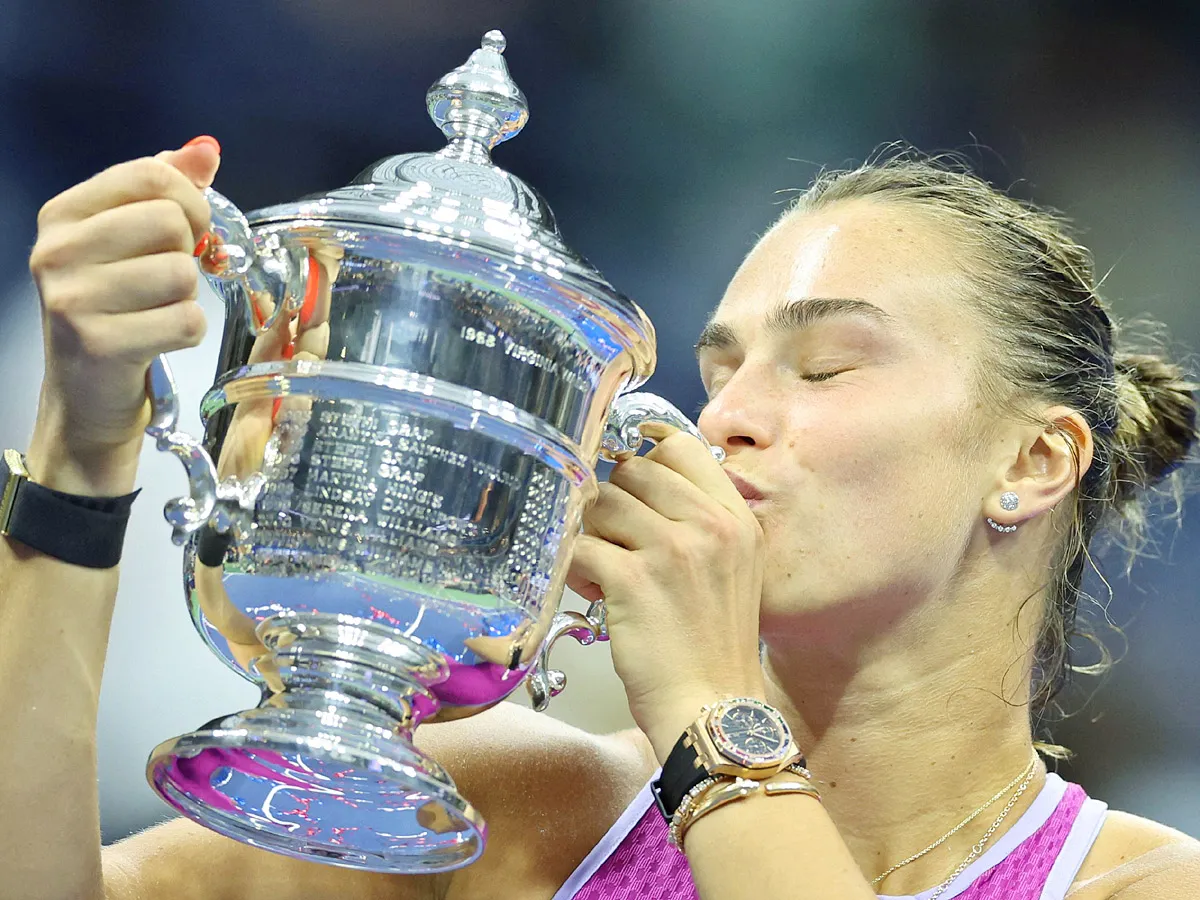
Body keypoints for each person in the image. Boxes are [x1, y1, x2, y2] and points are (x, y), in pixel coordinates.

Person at [2, 135, 1199, 900]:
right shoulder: (520, 809)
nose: (723, 417)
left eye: (825, 366)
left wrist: (705, 706)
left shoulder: (1139, 886)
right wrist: (82, 453)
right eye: (720, 369)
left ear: (1035, 461)